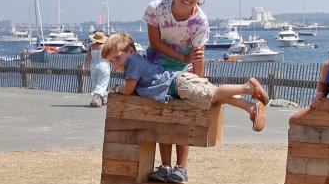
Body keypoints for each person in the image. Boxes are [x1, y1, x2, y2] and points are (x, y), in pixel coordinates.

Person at [102, 33, 268, 131]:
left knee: (214, 93)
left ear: (130, 51)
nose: (115, 63)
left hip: (178, 84)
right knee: (214, 97)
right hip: (179, 84)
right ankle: (250, 107)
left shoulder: (133, 62)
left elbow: (128, 89)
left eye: (117, 58)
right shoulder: (136, 61)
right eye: (111, 61)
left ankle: (248, 87)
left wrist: (118, 88)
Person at [143, 0, 210, 184]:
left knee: (183, 115)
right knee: (163, 112)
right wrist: (181, 58)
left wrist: (199, 85)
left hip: (184, 68)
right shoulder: (156, 9)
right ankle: (164, 164)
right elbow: (155, 42)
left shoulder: (200, 21)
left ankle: (181, 167)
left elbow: (199, 55)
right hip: (158, 63)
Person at [83, 30, 111, 107]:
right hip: (104, 65)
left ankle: (103, 99)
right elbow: (110, 57)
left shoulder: (91, 46)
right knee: (102, 83)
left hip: (93, 66)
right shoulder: (106, 46)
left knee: (95, 83)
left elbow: (88, 58)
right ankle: (95, 99)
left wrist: (85, 67)